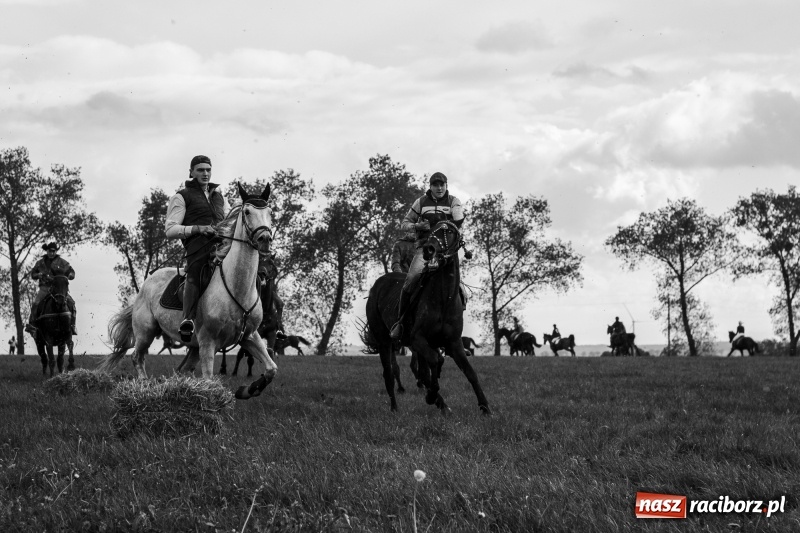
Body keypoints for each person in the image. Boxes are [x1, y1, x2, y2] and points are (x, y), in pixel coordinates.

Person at [390, 172, 464, 339]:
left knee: (460, 288)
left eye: (442, 185)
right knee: (411, 279)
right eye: (435, 185)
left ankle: (455, 330)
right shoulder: (421, 202)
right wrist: (417, 226)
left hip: (445, 253)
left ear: (446, 186)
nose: (439, 188)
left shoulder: (454, 201)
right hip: (424, 250)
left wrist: (453, 221)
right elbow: (404, 224)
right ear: (430, 187)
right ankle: (401, 323)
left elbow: (459, 221)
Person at [165, 155, 230, 342]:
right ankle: (188, 319)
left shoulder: (220, 197)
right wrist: (197, 229)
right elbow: (170, 230)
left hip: (223, 247)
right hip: (198, 248)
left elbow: (229, 222)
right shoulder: (181, 197)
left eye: (208, 170)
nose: (205, 173)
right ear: (191, 172)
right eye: (200, 170)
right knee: (196, 269)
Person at [26, 243, 77, 335]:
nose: (52, 253)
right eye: (50, 251)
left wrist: (69, 275)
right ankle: (32, 325)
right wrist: (38, 275)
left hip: (59, 289)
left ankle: (72, 325)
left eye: (53, 251)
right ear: (47, 251)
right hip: (44, 288)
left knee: (71, 303)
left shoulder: (63, 262)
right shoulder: (40, 263)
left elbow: (72, 272)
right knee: (36, 303)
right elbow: (33, 274)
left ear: (56, 251)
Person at [258, 253, 285, 333]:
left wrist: (269, 277)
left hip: (269, 291)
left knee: (280, 303)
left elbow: (275, 273)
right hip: (257, 287)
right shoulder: (259, 261)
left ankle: (279, 326)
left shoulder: (271, 265)